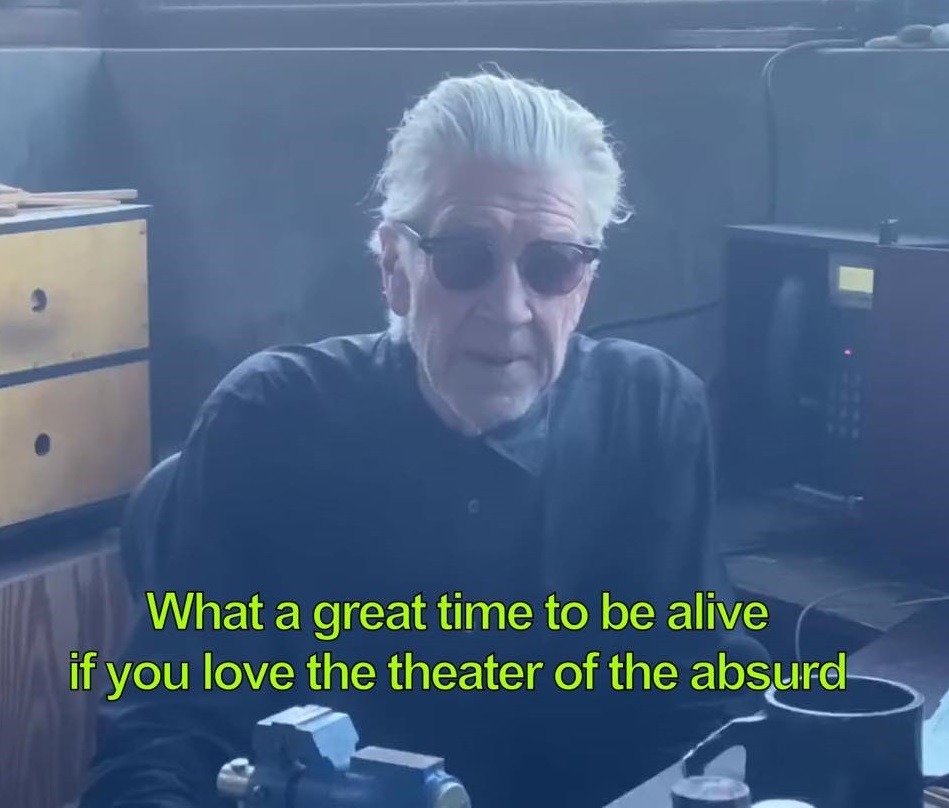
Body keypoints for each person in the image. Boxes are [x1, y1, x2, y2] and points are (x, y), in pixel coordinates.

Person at [79, 69, 769, 808]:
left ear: (584, 284)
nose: (509, 308)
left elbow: (705, 706)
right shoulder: (268, 420)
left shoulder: (652, 415)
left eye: (551, 265)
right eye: (465, 258)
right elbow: (167, 732)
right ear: (394, 269)